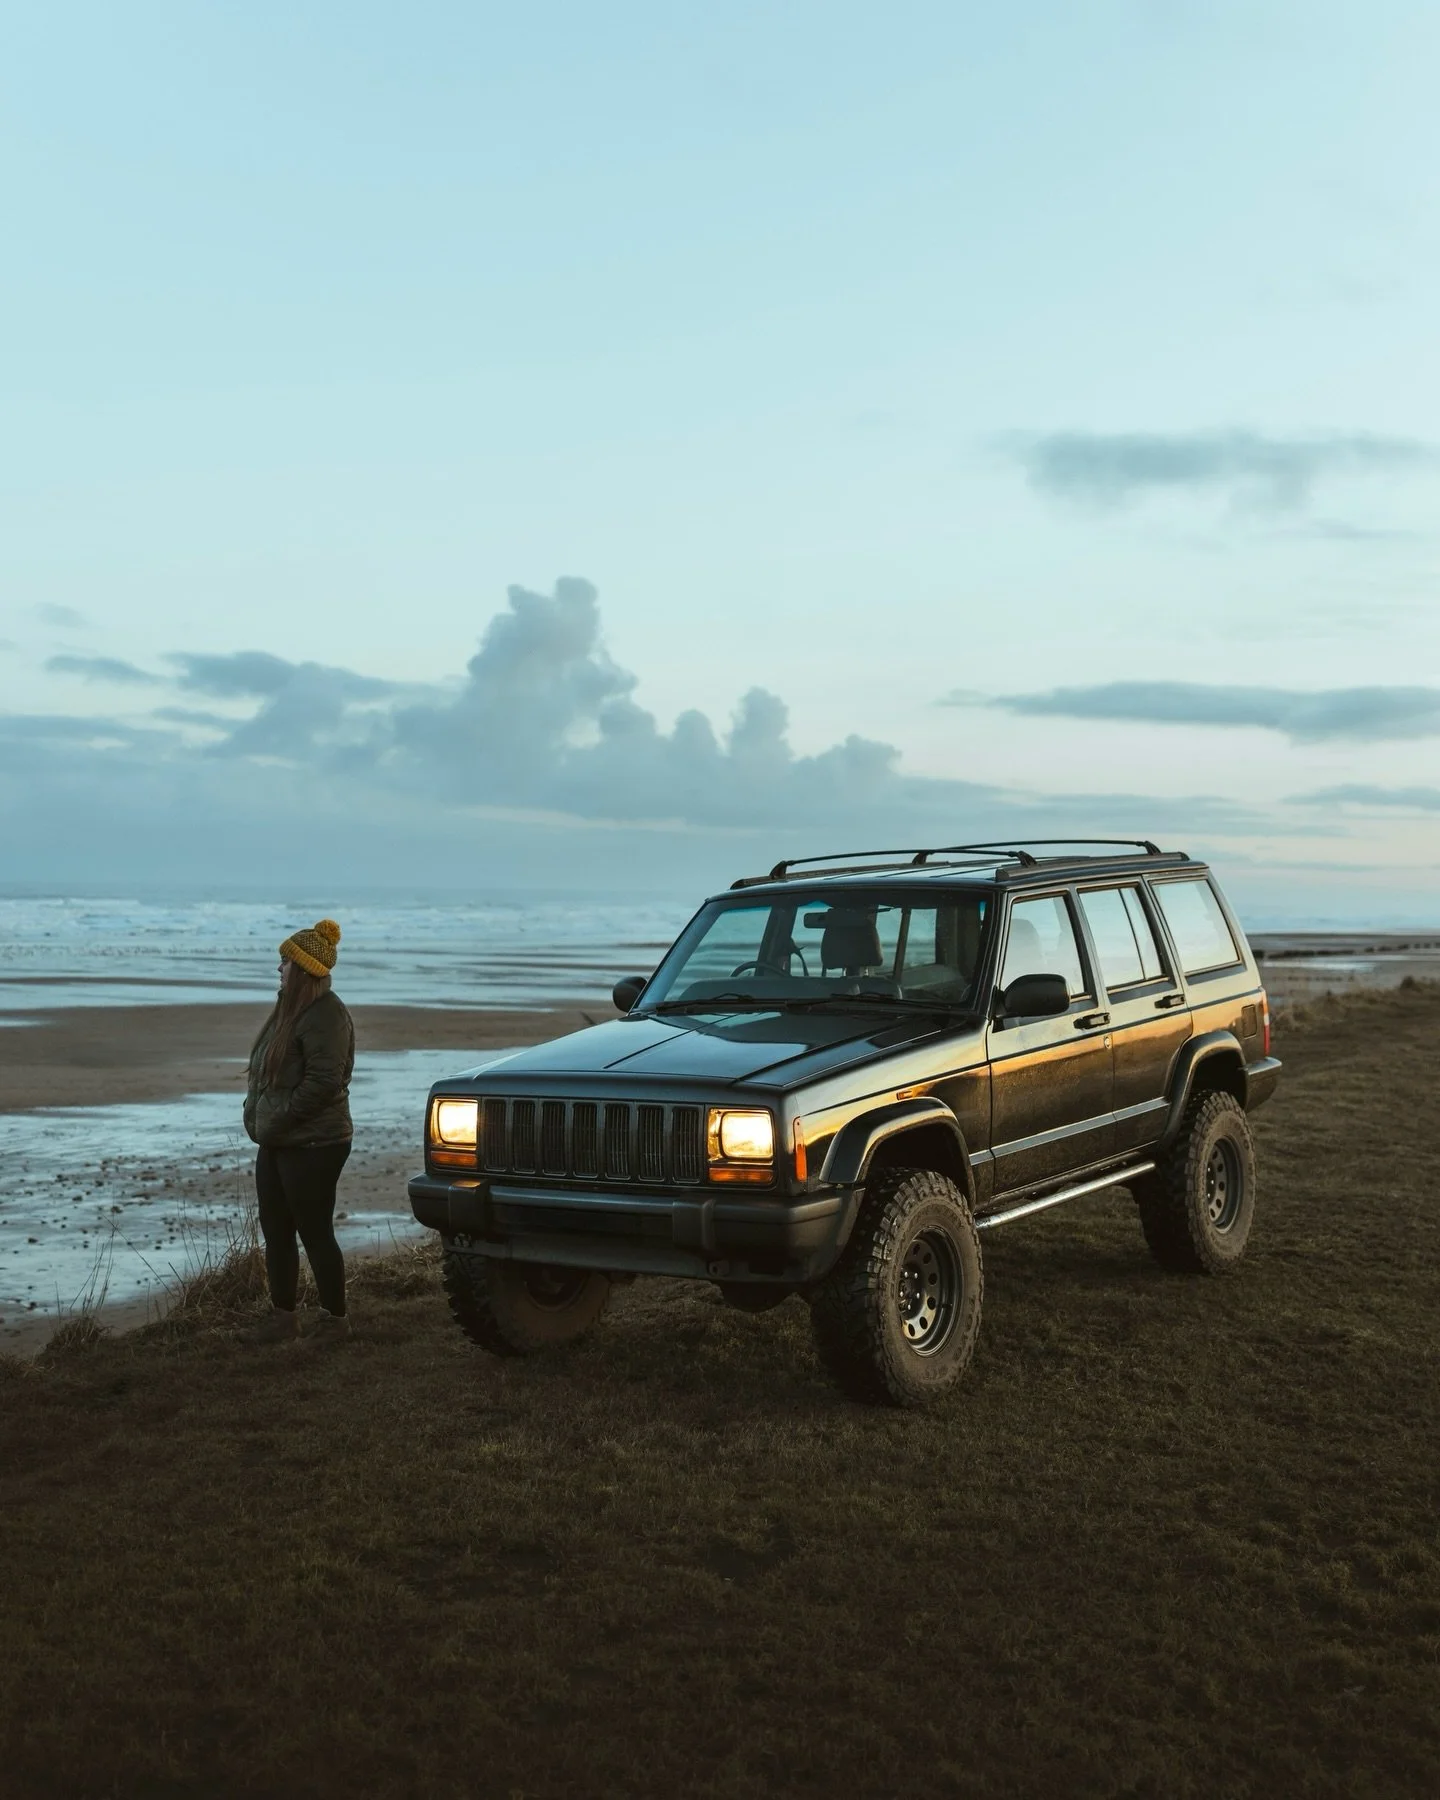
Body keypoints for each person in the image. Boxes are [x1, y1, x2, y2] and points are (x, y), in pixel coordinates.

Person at [243, 918, 355, 1342]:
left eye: (285, 963)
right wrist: (256, 1115)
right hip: (279, 1139)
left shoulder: (327, 1015)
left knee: (314, 1231)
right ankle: (282, 1317)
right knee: (275, 1228)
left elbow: (325, 1082)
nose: (279, 970)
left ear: (304, 969)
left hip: (315, 1142)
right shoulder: (288, 1010)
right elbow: (263, 1074)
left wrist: (281, 1116)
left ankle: (334, 1320)